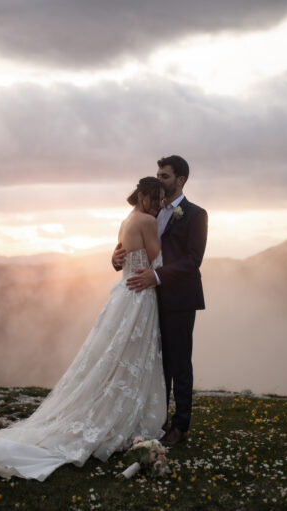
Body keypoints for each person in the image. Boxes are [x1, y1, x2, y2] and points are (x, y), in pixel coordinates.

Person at [0, 177, 167, 481]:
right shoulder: (146, 220)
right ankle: (121, 416)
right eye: (154, 198)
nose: (156, 205)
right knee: (130, 357)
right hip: (140, 296)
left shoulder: (127, 219)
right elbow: (158, 259)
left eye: (159, 200)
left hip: (124, 294)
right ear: (142, 196)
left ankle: (111, 409)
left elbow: (125, 256)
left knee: (117, 358)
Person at [112, 155, 208, 447]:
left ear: (181, 180)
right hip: (149, 301)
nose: (160, 181)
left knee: (179, 363)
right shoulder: (150, 213)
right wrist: (116, 259)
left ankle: (180, 426)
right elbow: (133, 248)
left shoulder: (196, 215)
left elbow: (192, 261)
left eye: (165, 176)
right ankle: (157, 420)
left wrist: (157, 277)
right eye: (158, 175)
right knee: (156, 364)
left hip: (179, 298)